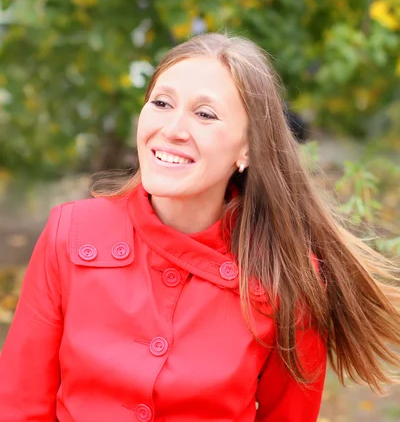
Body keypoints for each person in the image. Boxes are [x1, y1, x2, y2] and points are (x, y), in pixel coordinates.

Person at [1, 31, 399, 422]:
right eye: (161, 102)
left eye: (205, 114)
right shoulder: (69, 233)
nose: (172, 129)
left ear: (247, 148)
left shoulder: (290, 277)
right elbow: (20, 406)